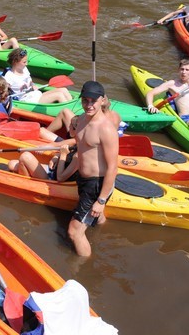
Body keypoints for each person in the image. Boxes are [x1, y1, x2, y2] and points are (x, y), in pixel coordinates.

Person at [67, 81, 118, 257]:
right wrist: (72, 125)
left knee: (74, 232)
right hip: (83, 178)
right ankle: (104, 233)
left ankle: (83, 269)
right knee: (94, 216)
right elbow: (76, 137)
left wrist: (101, 200)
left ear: (102, 100)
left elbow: (113, 168)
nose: (88, 105)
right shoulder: (80, 119)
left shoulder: (106, 129)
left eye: (93, 101)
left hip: (97, 185)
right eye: (85, 100)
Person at [8, 115, 80, 182]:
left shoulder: (78, 156)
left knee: (25, 157)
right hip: (52, 170)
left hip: (52, 179)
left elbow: (60, 178)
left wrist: (63, 155)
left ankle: (29, 185)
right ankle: (29, 180)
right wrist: (57, 156)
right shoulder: (76, 142)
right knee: (11, 164)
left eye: (71, 125)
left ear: (76, 130)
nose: (69, 126)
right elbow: (64, 150)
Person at [4, 48, 72, 104]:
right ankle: (69, 115)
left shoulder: (24, 69)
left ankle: (72, 107)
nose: (27, 64)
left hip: (36, 94)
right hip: (28, 101)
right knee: (59, 95)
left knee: (63, 90)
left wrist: (33, 84)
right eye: (24, 62)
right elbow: (3, 92)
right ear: (15, 62)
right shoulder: (9, 76)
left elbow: (29, 81)